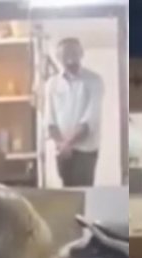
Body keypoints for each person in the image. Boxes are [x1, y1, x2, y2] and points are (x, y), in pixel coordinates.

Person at [46, 37, 104, 188]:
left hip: (85, 150)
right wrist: (61, 144)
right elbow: (49, 120)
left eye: (73, 52)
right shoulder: (52, 84)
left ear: (81, 53)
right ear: (58, 58)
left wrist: (68, 143)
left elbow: (90, 119)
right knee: (67, 192)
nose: (70, 57)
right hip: (62, 150)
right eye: (65, 54)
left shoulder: (94, 80)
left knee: (84, 191)